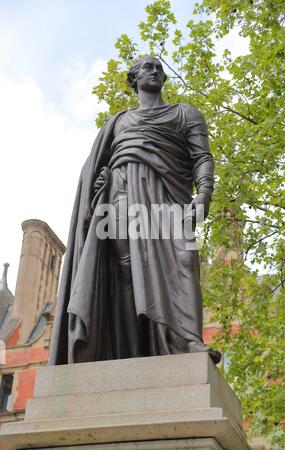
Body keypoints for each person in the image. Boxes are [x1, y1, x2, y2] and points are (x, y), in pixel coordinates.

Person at [48, 56, 221, 366]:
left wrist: (204, 192)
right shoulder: (117, 123)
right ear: (134, 79)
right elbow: (98, 166)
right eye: (147, 66)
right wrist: (101, 179)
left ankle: (188, 340)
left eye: (158, 67)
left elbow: (202, 158)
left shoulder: (185, 114)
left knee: (183, 258)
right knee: (126, 275)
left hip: (170, 199)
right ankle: (133, 349)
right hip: (120, 199)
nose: (154, 70)